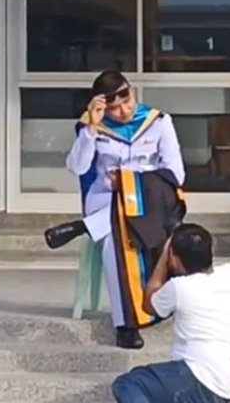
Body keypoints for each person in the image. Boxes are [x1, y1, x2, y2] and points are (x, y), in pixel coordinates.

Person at [44, 70, 186, 349]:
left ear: (133, 92)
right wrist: (91, 129)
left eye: (127, 102)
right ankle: (126, 325)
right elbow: (77, 167)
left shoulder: (158, 122)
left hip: (151, 201)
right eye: (114, 108)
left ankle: (84, 227)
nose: (123, 111)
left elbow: (176, 173)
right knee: (115, 237)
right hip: (107, 200)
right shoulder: (92, 127)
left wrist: (131, 182)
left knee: (118, 227)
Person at [105, 223, 230, 403]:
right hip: (226, 389)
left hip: (199, 385)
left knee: (127, 384)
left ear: (175, 259)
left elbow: (149, 303)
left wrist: (162, 261)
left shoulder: (179, 288)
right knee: (144, 378)